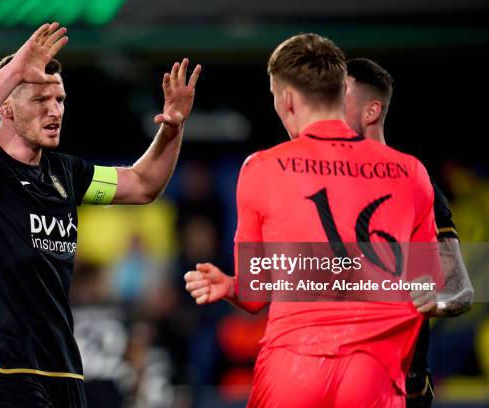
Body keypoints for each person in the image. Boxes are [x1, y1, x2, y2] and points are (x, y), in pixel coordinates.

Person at [0, 22, 201, 408]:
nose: (55, 111)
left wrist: (173, 127)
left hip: (64, 366)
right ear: (6, 105)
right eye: (41, 100)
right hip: (4, 364)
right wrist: (13, 72)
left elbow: (143, 185)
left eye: (60, 100)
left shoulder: (67, 174)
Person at [184, 33, 437, 407]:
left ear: (286, 99)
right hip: (374, 370)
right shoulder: (411, 172)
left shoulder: (262, 168)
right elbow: (428, 288)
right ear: (340, 92)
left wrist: (232, 285)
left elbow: (255, 295)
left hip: (292, 366)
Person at [344, 57, 473, 407]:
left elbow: (461, 290)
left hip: (404, 390)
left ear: (371, 111)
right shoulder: (318, 184)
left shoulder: (417, 185)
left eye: (340, 96)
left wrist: (436, 301)